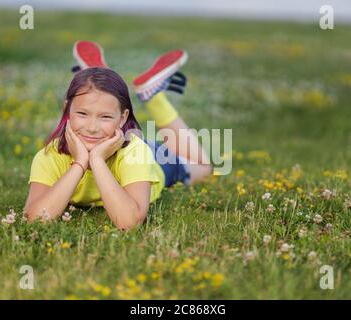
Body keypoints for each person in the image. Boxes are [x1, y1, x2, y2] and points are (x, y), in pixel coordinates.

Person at [24, 41, 213, 230]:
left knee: (204, 167)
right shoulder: (50, 155)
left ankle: (154, 98)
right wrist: (80, 162)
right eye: (82, 114)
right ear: (66, 110)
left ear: (122, 119)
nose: (92, 128)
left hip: (151, 158)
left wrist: (96, 160)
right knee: (91, 107)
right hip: (112, 137)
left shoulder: (136, 153)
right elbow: (35, 217)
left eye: (105, 116)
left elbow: (128, 222)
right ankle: (97, 80)